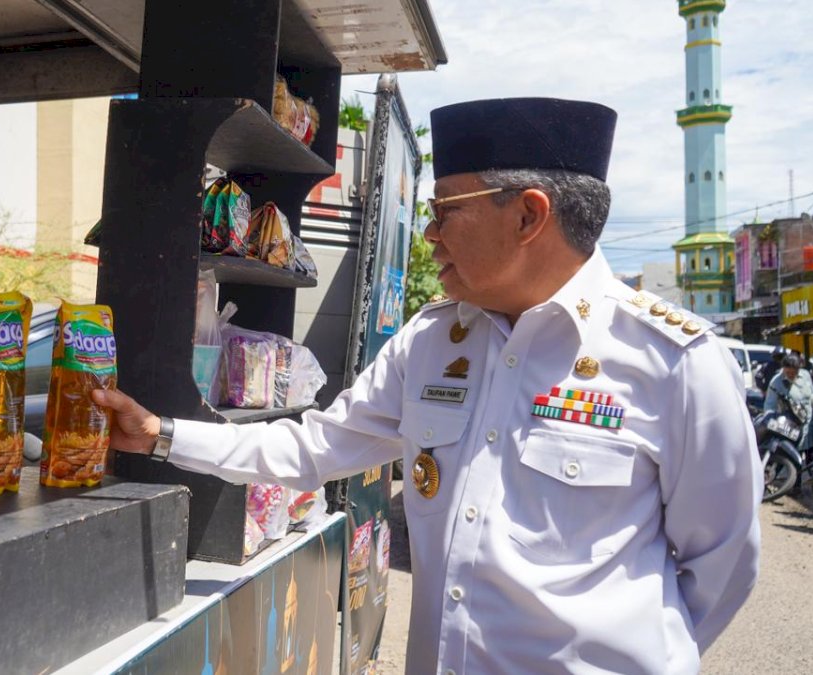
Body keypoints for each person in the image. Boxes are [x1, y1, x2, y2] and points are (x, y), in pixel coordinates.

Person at [94, 98, 762, 673]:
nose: (431, 236)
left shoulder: (675, 363)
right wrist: (163, 435)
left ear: (529, 216)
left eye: (446, 212)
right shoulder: (433, 341)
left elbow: (722, 567)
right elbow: (314, 447)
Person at [764, 353, 813, 450]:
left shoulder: (805, 375)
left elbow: (811, 395)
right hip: (791, 430)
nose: (791, 375)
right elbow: (769, 409)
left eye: (794, 373)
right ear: (783, 369)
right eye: (788, 373)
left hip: (809, 430)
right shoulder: (776, 383)